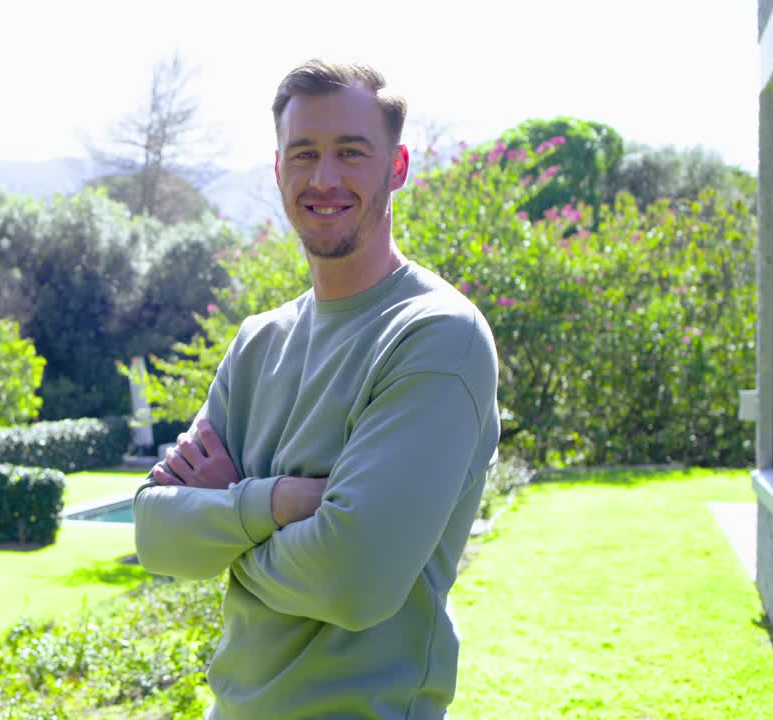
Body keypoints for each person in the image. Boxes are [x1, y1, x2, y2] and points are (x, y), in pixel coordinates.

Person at [132, 59, 500, 720]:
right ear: (278, 171)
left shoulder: (436, 337)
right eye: (304, 154)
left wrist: (227, 526)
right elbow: (156, 535)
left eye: (351, 153)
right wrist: (274, 503)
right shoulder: (258, 343)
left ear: (398, 167)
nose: (324, 178)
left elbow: (353, 581)